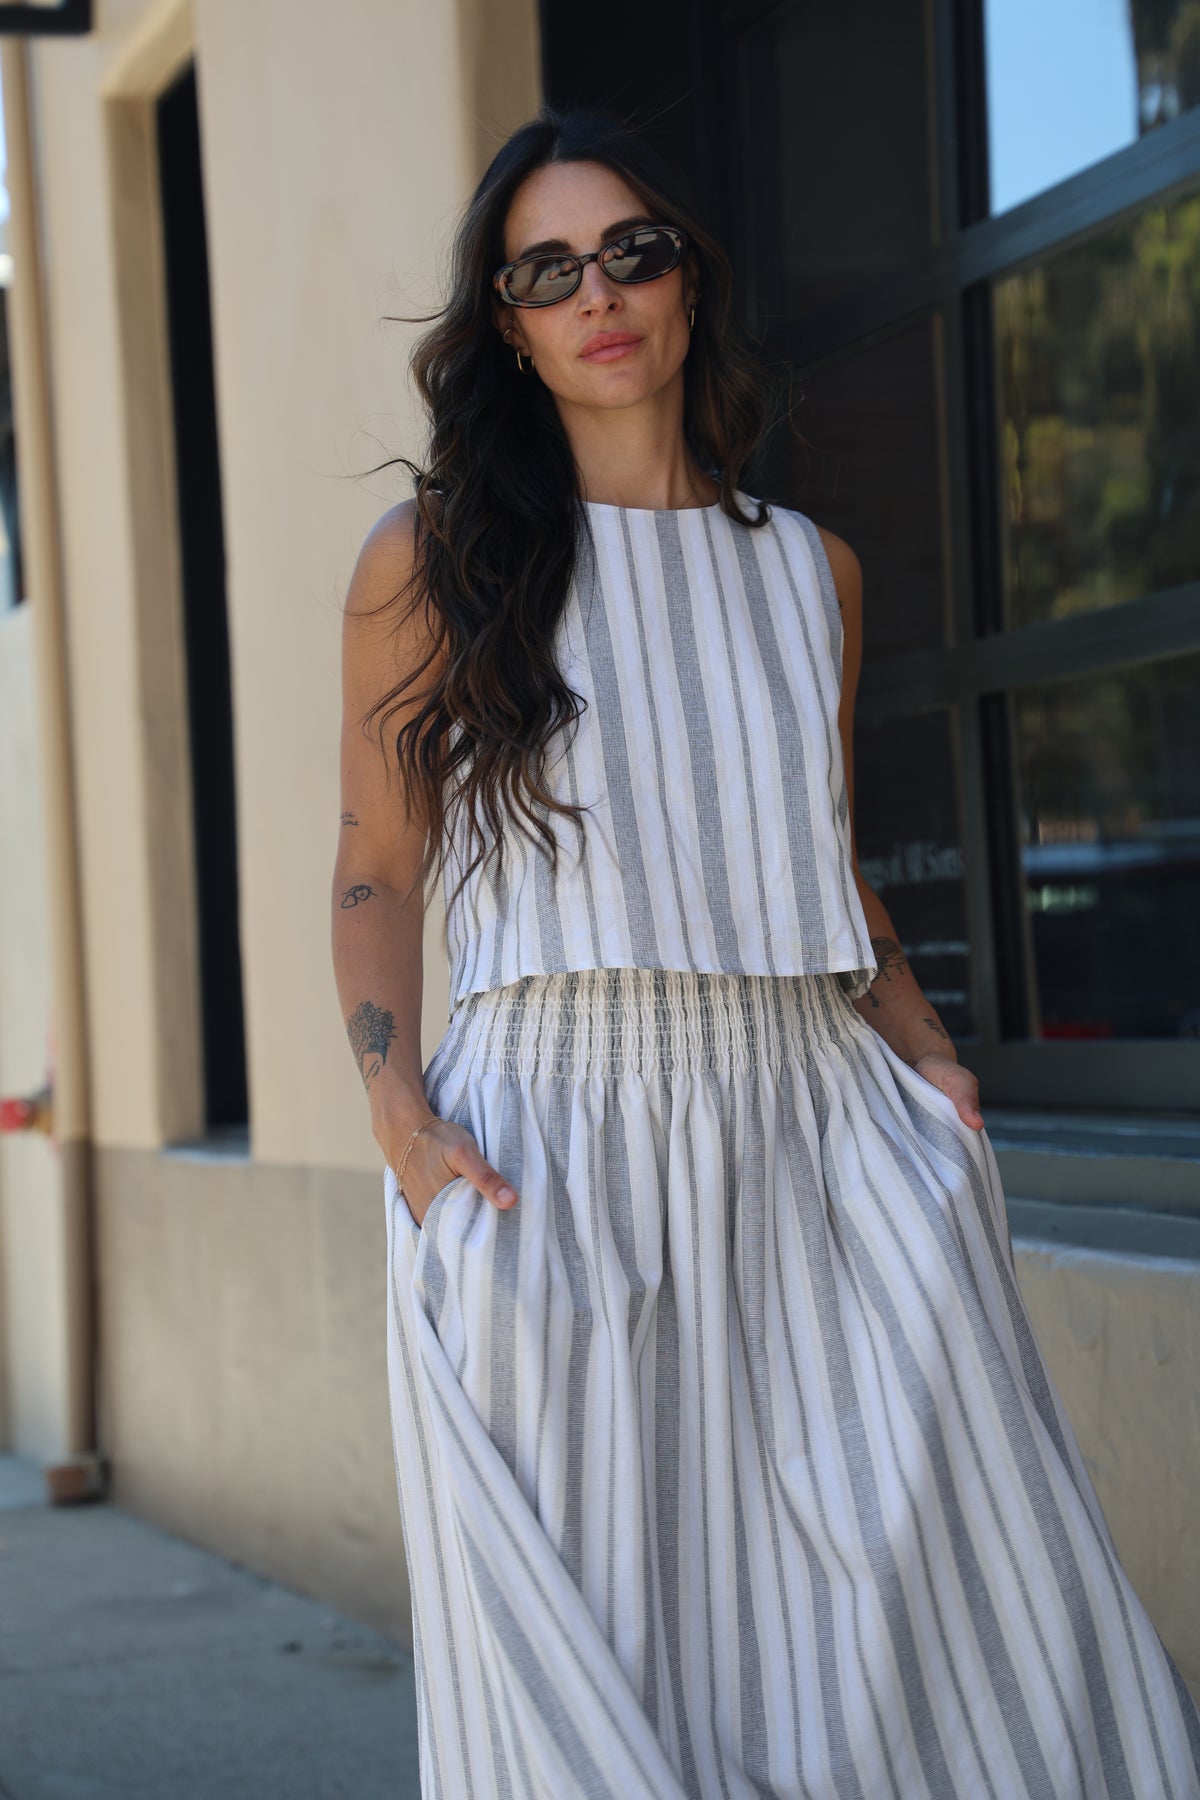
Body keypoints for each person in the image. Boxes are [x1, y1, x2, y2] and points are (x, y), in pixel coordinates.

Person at [331, 105, 1200, 1800]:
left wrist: (933, 1053)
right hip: (547, 1145)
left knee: (893, 1631)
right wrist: (399, 1115)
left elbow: (822, 863)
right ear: (505, 321)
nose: (602, 293)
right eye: (550, 268)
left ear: (687, 280)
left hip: (808, 1122)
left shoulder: (812, 571)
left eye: (633, 251)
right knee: (601, 1646)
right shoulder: (435, 562)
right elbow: (376, 857)